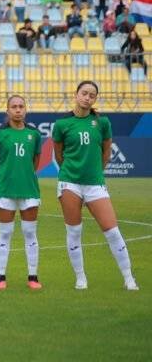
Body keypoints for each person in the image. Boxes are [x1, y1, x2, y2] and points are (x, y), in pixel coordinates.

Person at [53, 81, 138, 291]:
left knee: (112, 231)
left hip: (95, 184)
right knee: (74, 232)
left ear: (95, 99)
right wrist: (73, 172)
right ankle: (80, 278)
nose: (87, 98)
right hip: (69, 183)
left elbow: (106, 153)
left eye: (92, 95)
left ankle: (129, 278)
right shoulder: (62, 124)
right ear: (76, 94)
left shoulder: (102, 123)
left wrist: (94, 173)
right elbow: (59, 156)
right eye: (84, 93)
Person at [0, 96, 43, 290]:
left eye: (21, 106)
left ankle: (33, 277)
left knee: (29, 232)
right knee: (5, 233)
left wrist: (24, 175)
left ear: (25, 109)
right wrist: (5, 176)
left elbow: (35, 161)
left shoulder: (34, 134)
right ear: (8, 110)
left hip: (29, 190)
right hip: (4, 190)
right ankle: (0, 277)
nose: (18, 110)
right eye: (14, 107)